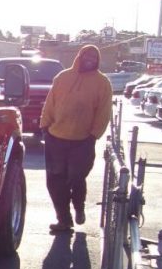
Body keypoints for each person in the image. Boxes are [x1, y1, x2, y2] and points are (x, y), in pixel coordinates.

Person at [39, 45, 112, 233]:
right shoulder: (62, 77)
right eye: (86, 54)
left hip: (83, 141)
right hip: (56, 138)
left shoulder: (102, 83)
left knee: (76, 178)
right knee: (55, 181)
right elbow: (50, 103)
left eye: (94, 56)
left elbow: (104, 112)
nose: (90, 58)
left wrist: (94, 135)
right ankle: (64, 220)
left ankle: (79, 208)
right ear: (79, 56)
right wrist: (45, 126)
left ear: (98, 60)